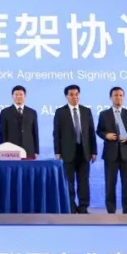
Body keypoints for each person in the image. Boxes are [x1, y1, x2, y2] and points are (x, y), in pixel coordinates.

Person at [96, 86, 127, 214]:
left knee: (126, 183)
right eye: (116, 95)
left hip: (126, 153)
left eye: (121, 95)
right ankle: (110, 209)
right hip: (110, 154)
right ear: (111, 98)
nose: (118, 98)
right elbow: (99, 131)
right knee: (110, 183)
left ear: (124, 97)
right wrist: (106, 135)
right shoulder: (104, 114)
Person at [53, 84, 96, 213]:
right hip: (67, 152)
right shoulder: (60, 112)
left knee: (84, 181)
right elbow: (57, 133)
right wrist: (57, 151)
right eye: (71, 94)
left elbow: (91, 132)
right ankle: (70, 207)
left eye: (77, 94)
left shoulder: (86, 111)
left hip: (84, 152)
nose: (74, 97)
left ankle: (83, 207)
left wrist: (94, 151)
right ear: (66, 96)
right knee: (69, 182)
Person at [0, 84, 39, 158]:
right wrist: (3, 150)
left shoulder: (32, 112)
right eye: (16, 95)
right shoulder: (5, 112)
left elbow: (35, 132)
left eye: (21, 94)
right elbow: (3, 133)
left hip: (29, 150)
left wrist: (36, 150)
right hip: (11, 151)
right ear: (12, 96)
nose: (18, 97)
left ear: (25, 96)